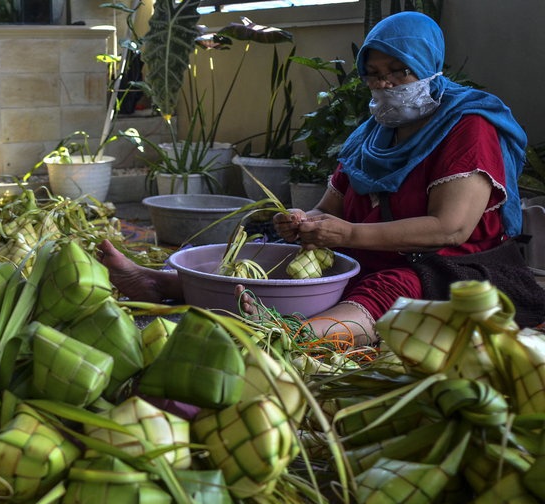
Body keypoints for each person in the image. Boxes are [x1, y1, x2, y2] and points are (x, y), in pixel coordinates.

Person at [101, 11, 544, 344]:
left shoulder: (467, 127)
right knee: (275, 257)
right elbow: (327, 211)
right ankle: (164, 282)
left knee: (394, 286)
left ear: (427, 66)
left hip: (449, 264)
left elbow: (451, 227)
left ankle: (291, 336)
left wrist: (348, 233)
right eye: (373, 74)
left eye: (398, 71)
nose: (385, 85)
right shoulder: (372, 135)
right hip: (366, 251)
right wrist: (303, 222)